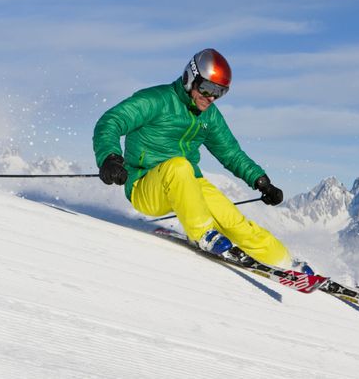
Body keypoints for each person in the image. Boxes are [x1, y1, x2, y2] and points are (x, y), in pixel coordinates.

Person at [93, 48, 299, 271]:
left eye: (220, 92)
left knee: (233, 221)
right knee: (179, 166)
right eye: (208, 88)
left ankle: (284, 261)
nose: (211, 97)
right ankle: (203, 233)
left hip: (189, 184)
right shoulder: (156, 100)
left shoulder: (209, 116)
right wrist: (110, 157)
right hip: (144, 185)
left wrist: (261, 181)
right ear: (190, 78)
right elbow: (111, 121)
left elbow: (230, 152)